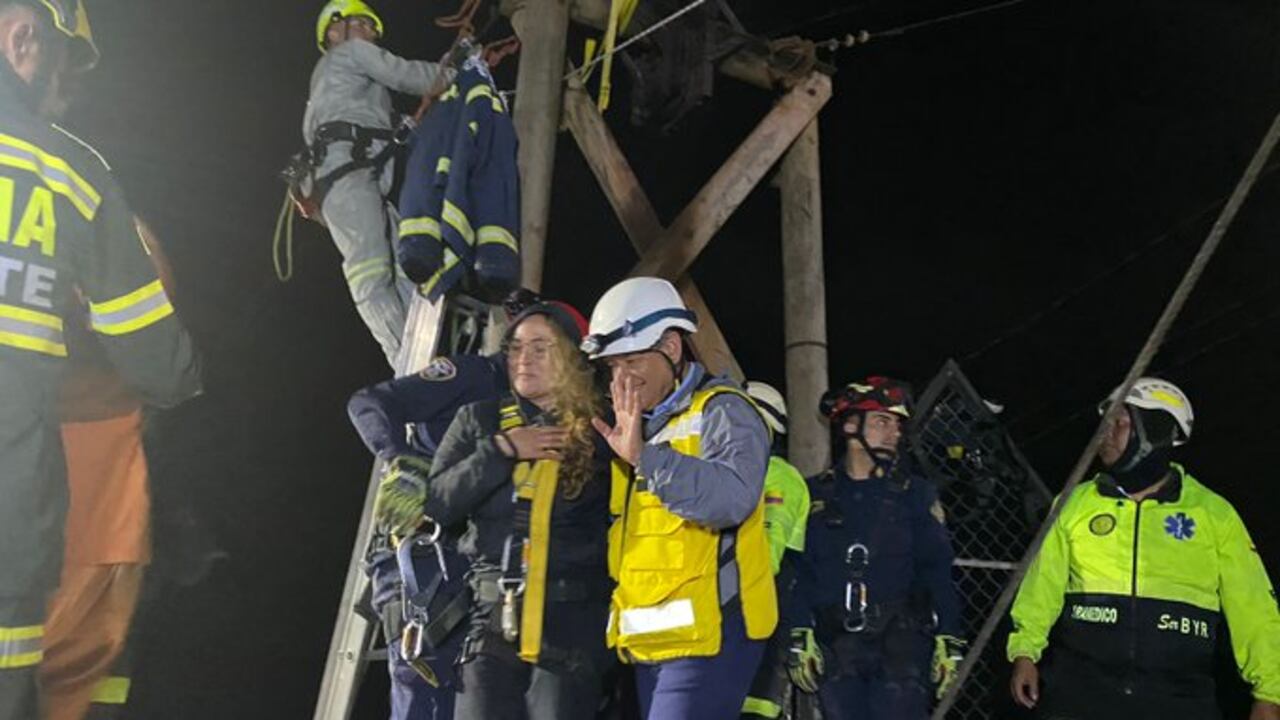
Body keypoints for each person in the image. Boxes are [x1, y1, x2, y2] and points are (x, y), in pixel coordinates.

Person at [0, 2, 202, 717]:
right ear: (25, 38)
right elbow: (161, 365)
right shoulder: (69, 175)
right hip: (26, 501)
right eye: (65, 71)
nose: (67, 92)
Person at [377, 301, 614, 719]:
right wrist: (501, 450)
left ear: (573, 358)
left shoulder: (603, 429)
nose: (524, 359)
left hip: (571, 623)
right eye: (516, 348)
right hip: (491, 618)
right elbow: (436, 506)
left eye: (540, 348)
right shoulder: (478, 420)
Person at [1007, 378, 1280, 720]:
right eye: (1105, 424)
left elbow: (1252, 606)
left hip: (1178, 697)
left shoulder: (1213, 514)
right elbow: (1041, 584)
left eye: (1119, 422)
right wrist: (1025, 652)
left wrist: (1270, 694)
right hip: (1081, 690)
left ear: (1154, 430)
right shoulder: (1074, 504)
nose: (1104, 434)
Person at [584, 276, 776, 720]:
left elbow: (732, 498)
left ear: (671, 347)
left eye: (632, 359)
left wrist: (644, 458)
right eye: (613, 366)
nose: (621, 379)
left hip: (714, 636)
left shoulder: (724, 410)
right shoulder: (636, 430)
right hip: (651, 639)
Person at [348, 288, 541, 720]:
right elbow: (369, 403)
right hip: (425, 561)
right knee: (427, 697)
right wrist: (402, 460)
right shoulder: (477, 377)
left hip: (469, 571)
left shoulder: (543, 413)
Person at [786, 376, 964, 719]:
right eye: (882, 422)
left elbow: (938, 570)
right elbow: (801, 571)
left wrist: (949, 637)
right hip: (837, 647)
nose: (893, 433)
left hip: (903, 649)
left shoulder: (916, 495)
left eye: (897, 425)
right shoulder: (814, 495)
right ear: (850, 425)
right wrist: (799, 629)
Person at [303, 0, 450, 367]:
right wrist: (459, 72)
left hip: (358, 183)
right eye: (363, 24)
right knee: (371, 273)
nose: (371, 33)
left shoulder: (337, 86)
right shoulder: (349, 54)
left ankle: (424, 358)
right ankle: (409, 366)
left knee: (405, 271)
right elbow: (406, 75)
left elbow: (371, 123)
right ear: (335, 30)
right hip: (349, 180)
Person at [739, 381, 811, 720]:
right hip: (736, 611)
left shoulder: (779, 476)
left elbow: (768, 552)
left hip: (765, 609)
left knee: (754, 709)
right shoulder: (732, 474)